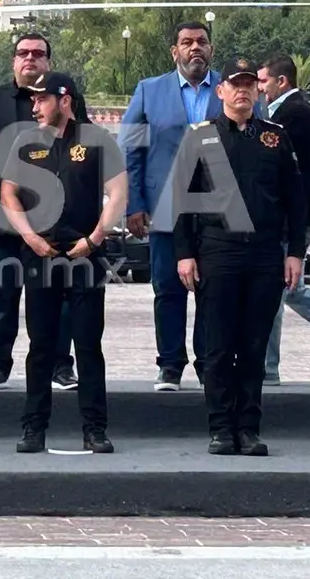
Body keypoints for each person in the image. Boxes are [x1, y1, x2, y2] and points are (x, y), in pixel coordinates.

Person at [171, 57, 305, 456]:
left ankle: (248, 428)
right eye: (236, 84)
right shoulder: (200, 136)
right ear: (221, 90)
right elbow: (180, 200)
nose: (243, 90)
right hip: (217, 250)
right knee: (217, 345)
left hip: (264, 253)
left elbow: (295, 202)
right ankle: (220, 427)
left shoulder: (275, 138)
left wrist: (295, 252)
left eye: (250, 84)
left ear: (258, 90)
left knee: (252, 346)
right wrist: (184, 254)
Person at [0, 72, 127, 454]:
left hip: (85, 255)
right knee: (40, 346)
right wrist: (29, 235)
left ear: (64, 99)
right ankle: (33, 428)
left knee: (88, 345)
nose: (34, 106)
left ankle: (95, 429)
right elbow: (8, 195)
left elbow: (119, 191)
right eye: (32, 100)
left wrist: (96, 238)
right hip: (41, 254)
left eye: (41, 99)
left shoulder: (96, 139)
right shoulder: (26, 142)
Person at [0, 32, 79, 391]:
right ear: (13, 60)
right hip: (5, 221)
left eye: (38, 53)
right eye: (22, 53)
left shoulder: (63, 98)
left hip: (53, 223)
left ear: (48, 60)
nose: (30, 59)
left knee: (55, 298)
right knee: (3, 296)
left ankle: (60, 366)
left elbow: (80, 148)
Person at [121, 22, 220, 391]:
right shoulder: (149, 91)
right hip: (164, 207)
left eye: (202, 42)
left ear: (210, 49)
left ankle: (209, 363)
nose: (195, 48)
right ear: (174, 51)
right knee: (167, 288)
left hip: (217, 211)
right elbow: (130, 149)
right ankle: (170, 365)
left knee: (212, 291)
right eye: (187, 42)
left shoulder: (229, 90)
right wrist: (134, 203)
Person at [256, 56, 310, 385]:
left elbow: (289, 175)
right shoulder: (288, 112)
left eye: (264, 81)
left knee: (275, 293)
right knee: (293, 291)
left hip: (289, 217)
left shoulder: (293, 114)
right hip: (294, 216)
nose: (259, 87)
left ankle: (267, 369)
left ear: (281, 82)